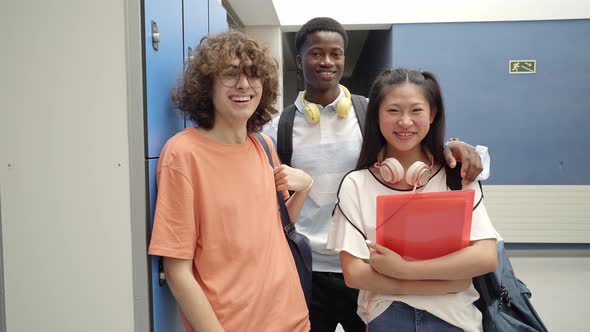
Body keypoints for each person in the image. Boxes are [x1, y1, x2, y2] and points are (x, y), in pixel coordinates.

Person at [264, 17, 489, 331]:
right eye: (316, 53)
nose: (326, 61)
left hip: (369, 260)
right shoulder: (278, 127)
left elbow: (415, 139)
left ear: (344, 58)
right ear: (299, 59)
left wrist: (453, 144)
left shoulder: (372, 112)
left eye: (336, 53)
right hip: (307, 265)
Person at [148, 31, 312, 332]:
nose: (244, 85)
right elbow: (177, 270)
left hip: (294, 319)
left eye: (253, 74)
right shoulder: (184, 154)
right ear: (206, 85)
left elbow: (278, 226)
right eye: (230, 74)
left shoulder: (263, 145)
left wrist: (304, 189)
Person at [327, 68, 498, 331]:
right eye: (393, 110)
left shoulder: (457, 176)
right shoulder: (356, 184)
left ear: (432, 114)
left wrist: (400, 270)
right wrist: (450, 279)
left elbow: (485, 257)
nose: (405, 122)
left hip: (455, 319)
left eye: (416, 111)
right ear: (377, 116)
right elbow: (354, 274)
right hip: (386, 317)